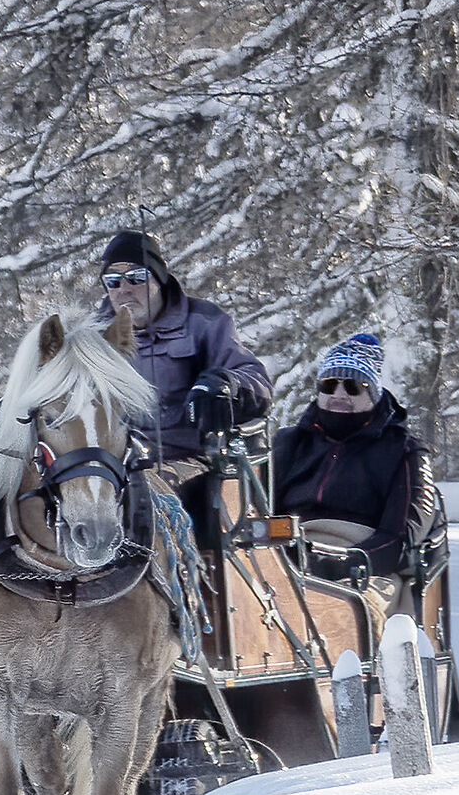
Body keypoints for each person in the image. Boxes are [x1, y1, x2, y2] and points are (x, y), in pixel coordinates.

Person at [92, 230, 272, 545]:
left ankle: (189, 567)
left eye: (136, 277)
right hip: (116, 463)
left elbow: (255, 380)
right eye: (113, 281)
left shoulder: (204, 323)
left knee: (149, 490)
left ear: (159, 278)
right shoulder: (93, 337)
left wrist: (225, 386)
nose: (124, 289)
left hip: (192, 460)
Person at [270, 332, 437, 613]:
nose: (339, 394)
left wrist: (347, 562)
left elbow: (401, 535)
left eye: (353, 386)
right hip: (288, 556)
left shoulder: (404, 451)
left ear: (373, 394)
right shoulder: (287, 443)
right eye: (328, 385)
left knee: (338, 613)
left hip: (365, 567)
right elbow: (257, 510)